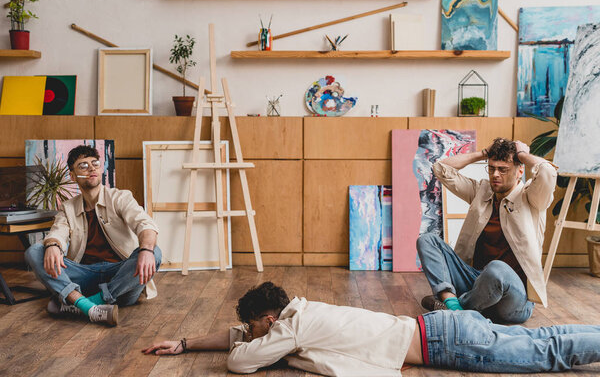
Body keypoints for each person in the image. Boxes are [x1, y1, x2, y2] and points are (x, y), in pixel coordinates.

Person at [142, 281, 600, 376]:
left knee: (549, 354)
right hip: (443, 326)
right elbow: (241, 338)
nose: (252, 336)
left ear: (269, 320)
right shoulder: (301, 313)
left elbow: (239, 362)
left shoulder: (290, 330)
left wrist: (262, 344)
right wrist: (185, 344)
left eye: (254, 329)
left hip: (445, 341)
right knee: (545, 339)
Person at [417, 138, 557, 324]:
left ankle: (454, 310)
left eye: (503, 169)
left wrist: (522, 154)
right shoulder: (481, 191)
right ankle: (454, 305)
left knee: (496, 268)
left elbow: (547, 172)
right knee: (427, 240)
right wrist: (483, 153)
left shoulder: (532, 197)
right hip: (477, 284)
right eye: (491, 168)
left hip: (514, 299)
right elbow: (440, 168)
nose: (495, 175)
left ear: (519, 171)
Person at [24, 145, 162, 326]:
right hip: (85, 276)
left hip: (120, 278)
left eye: (95, 163)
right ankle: (84, 303)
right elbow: (58, 232)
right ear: (73, 176)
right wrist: (52, 245)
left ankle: (86, 304)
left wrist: (145, 250)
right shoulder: (68, 207)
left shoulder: (120, 197)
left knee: (155, 252)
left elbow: (145, 224)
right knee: (35, 251)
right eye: (83, 165)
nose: (91, 168)